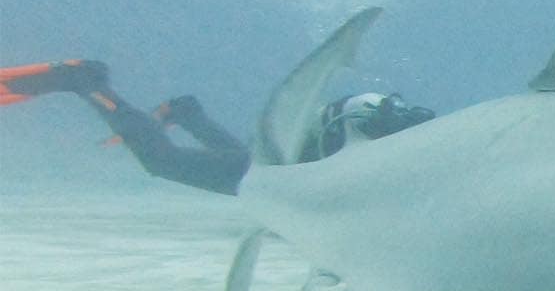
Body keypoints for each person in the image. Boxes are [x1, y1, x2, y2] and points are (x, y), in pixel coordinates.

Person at [0, 59, 434, 195]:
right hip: (285, 175)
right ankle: (83, 81)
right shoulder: (398, 149)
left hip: (284, 163)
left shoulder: (396, 137)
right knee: (161, 161)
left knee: (241, 165)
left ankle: (187, 112)